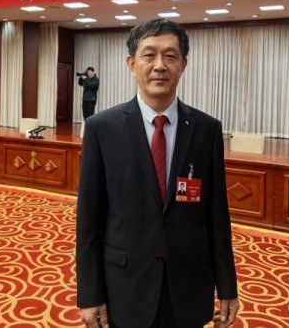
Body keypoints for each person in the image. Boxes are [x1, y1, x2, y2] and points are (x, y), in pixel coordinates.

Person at [76, 18, 239, 328]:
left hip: (189, 286)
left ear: (183, 65)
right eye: (149, 55)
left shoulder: (207, 130)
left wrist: (227, 287)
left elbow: (217, 216)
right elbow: (89, 222)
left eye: (170, 56)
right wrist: (89, 293)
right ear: (132, 64)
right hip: (125, 286)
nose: (160, 66)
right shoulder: (101, 129)